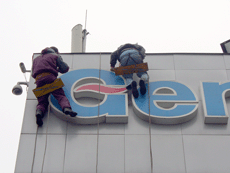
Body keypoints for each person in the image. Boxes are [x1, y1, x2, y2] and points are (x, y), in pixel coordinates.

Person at [32, 47, 77, 127]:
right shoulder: (55, 56)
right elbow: (65, 68)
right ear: (55, 51)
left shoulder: (36, 59)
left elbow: (33, 74)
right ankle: (66, 108)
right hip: (50, 77)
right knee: (60, 95)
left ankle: (39, 113)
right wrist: (57, 69)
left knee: (42, 101)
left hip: (38, 80)